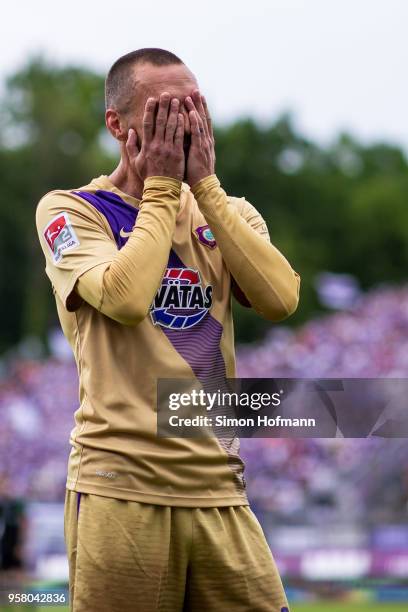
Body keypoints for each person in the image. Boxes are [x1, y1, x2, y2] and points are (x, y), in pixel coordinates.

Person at [35, 48, 299, 612]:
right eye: (163, 108)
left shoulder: (227, 210)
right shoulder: (72, 210)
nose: (183, 121)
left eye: (194, 106)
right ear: (117, 124)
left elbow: (281, 300)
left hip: (220, 489)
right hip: (120, 486)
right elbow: (127, 300)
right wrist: (159, 189)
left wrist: (204, 189)